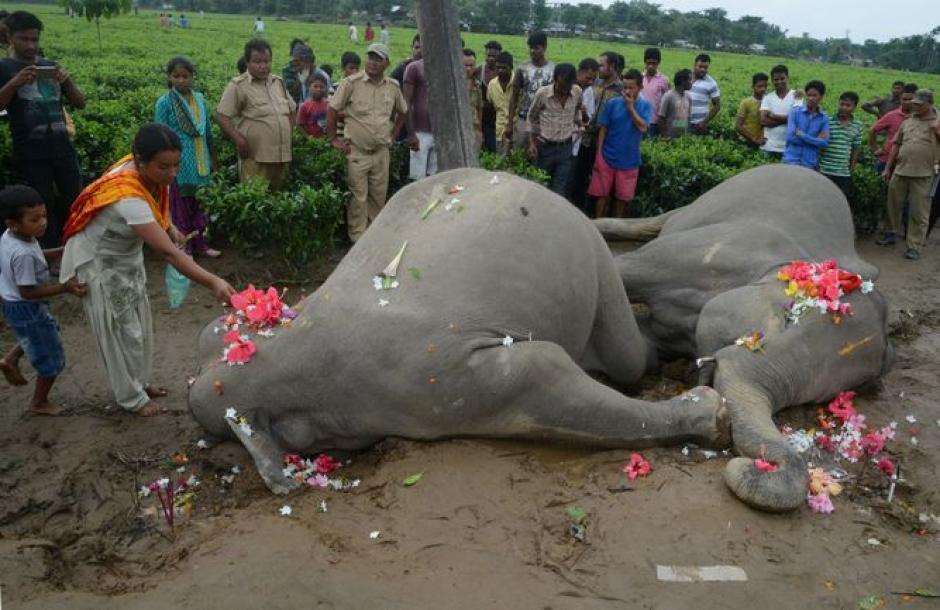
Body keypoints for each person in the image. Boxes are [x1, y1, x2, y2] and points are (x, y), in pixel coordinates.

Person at [59, 124, 235, 416]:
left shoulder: (145, 178)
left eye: (177, 165)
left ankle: (139, 382)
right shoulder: (127, 194)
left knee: (137, 326)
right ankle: (130, 398)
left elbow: (157, 213)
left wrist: (171, 227)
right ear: (140, 160)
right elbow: (167, 251)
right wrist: (213, 281)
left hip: (124, 258)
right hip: (99, 264)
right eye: (163, 167)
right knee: (117, 332)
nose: (172, 174)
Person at [0, 11, 86, 248]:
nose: (30, 45)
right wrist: (14, 83)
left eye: (34, 39)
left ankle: (75, 247)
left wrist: (66, 81)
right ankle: (51, 253)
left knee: (75, 199)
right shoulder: (4, 67)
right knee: (42, 204)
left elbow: (80, 103)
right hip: (31, 152)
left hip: (62, 147)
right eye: (24, 39)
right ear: (10, 37)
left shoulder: (49, 65)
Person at [0, 185, 86, 413]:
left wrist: (61, 250)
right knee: (50, 356)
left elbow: (37, 255)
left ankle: (9, 359)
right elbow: (27, 292)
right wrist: (64, 287)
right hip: (25, 305)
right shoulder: (23, 253)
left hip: (13, 303)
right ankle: (39, 403)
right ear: (13, 223)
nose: (43, 223)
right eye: (35, 219)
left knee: (37, 333)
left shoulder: (13, 237)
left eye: (44, 216)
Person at [327, 43, 407, 242]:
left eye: (378, 59)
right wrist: (334, 140)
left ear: (386, 63)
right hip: (357, 151)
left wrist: (393, 136)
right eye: (370, 57)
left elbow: (403, 112)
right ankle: (357, 240)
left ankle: (373, 239)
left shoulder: (393, 87)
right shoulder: (351, 83)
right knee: (358, 198)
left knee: (378, 196)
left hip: (381, 152)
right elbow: (332, 109)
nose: (372, 62)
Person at [154, 56, 220, 257]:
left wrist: (214, 158)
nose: (181, 80)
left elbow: (207, 130)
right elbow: (160, 134)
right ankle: (185, 248)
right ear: (170, 77)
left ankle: (202, 244)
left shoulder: (199, 99)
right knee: (181, 207)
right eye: (176, 76)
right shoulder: (165, 103)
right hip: (179, 164)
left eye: (185, 76)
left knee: (201, 205)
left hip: (201, 161)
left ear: (192, 77)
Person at [216, 39, 296, 191]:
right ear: (247, 62)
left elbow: (292, 109)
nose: (263, 66)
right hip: (256, 157)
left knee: (278, 200)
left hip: (281, 156)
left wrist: (288, 130)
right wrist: (239, 140)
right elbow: (222, 116)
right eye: (257, 62)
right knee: (255, 199)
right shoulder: (238, 85)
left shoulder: (278, 83)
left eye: (266, 61)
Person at [878, 89, 940, 260]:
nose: (916, 107)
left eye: (920, 104)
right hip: (901, 170)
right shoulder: (908, 121)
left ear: (930, 104)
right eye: (915, 104)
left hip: (924, 174)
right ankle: (890, 234)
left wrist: (937, 127)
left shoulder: (937, 121)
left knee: (919, 212)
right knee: (893, 205)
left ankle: (914, 246)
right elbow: (896, 145)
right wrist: (887, 168)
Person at [589, 69, 651, 219]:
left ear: (640, 88)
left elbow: (643, 127)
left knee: (622, 199)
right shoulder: (612, 104)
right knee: (601, 196)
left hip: (630, 161)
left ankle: (617, 229)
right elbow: (603, 129)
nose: (627, 91)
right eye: (625, 87)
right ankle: (599, 226)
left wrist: (630, 108)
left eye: (631, 88)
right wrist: (599, 155)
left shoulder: (645, 106)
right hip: (607, 157)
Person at [574, 51, 623, 215]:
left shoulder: (621, 89)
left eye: (602, 65)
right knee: (580, 176)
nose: (598, 68)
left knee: (600, 182)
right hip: (585, 139)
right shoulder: (593, 83)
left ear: (613, 67)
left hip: (606, 142)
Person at [527, 63, 584, 197]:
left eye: (568, 86)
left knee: (560, 188)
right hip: (545, 147)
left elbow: (578, 109)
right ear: (555, 79)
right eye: (562, 85)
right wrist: (531, 142)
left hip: (566, 147)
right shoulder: (542, 94)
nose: (565, 90)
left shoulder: (576, 92)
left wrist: (580, 123)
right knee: (539, 184)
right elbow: (531, 117)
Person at [506, 30, 555, 152]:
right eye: (531, 48)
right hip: (523, 119)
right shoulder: (522, 69)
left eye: (536, 48)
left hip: (544, 121)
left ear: (544, 48)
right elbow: (514, 97)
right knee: (518, 156)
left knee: (540, 157)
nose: (532, 51)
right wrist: (509, 123)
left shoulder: (554, 69)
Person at [818, 91, 862, 199]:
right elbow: (819, 143)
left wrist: (852, 168)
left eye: (848, 105)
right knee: (822, 200)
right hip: (825, 170)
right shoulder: (828, 121)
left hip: (843, 173)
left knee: (840, 201)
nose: (844, 107)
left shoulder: (857, 125)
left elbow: (856, 148)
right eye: (842, 104)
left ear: (854, 107)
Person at [869, 83, 917, 173]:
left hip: (908, 163)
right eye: (904, 99)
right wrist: (874, 149)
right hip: (885, 159)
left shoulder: (921, 117)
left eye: (911, 99)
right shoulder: (892, 115)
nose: (907, 102)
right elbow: (872, 130)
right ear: (900, 99)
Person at [568, 57, 597, 205]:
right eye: (588, 78)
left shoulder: (589, 91)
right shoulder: (567, 86)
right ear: (579, 73)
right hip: (559, 138)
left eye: (593, 79)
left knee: (572, 178)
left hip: (575, 142)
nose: (590, 82)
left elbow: (588, 120)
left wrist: (583, 112)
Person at [782, 80, 829, 169]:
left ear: (821, 97)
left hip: (809, 164)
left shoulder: (823, 118)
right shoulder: (794, 112)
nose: (811, 98)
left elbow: (824, 143)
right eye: (808, 95)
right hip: (791, 161)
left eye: (814, 95)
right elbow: (790, 137)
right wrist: (815, 140)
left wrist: (803, 135)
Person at [403, 53, 435, 180]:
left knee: (436, 177)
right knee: (417, 178)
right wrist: (411, 133)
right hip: (420, 132)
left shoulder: (446, 70)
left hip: (440, 132)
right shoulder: (414, 67)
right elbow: (406, 102)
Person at [760, 65, 802, 157]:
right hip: (768, 147)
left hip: (789, 148)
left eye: (782, 78)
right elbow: (763, 121)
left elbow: (799, 119)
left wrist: (774, 116)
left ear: (788, 78)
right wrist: (788, 120)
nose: (779, 82)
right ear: (772, 81)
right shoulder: (767, 98)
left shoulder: (797, 96)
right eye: (776, 79)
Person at [487, 51, 514, 153]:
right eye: (498, 68)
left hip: (516, 132)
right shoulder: (492, 85)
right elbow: (491, 107)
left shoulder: (518, 83)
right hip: (499, 131)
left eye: (503, 68)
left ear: (511, 67)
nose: (500, 70)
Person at [641, 48, 670, 138]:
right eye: (648, 63)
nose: (650, 66)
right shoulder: (639, 77)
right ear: (645, 62)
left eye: (654, 63)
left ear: (658, 63)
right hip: (639, 120)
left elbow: (667, 101)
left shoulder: (664, 80)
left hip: (654, 122)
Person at [687, 53, 720, 134]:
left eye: (705, 67)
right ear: (694, 65)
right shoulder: (685, 77)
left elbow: (717, 106)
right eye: (700, 66)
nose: (703, 70)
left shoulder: (711, 83)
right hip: (681, 122)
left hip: (697, 125)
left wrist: (704, 122)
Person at [480, 40, 503, 152]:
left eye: (494, 56)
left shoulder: (503, 71)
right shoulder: (480, 70)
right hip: (482, 115)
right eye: (488, 55)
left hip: (498, 115)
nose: (491, 59)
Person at [657, 69, 692, 140]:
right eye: (689, 80)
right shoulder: (668, 96)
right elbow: (661, 118)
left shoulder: (688, 97)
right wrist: (665, 136)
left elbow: (688, 118)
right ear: (683, 81)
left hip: (683, 138)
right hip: (670, 137)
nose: (691, 82)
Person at [736, 72, 767, 148]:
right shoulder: (745, 103)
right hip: (745, 141)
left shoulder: (768, 101)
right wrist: (754, 139)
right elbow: (738, 126)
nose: (763, 89)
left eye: (765, 86)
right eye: (759, 86)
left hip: (762, 142)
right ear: (753, 86)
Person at [296, 72, 329, 138]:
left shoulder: (329, 104)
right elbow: (299, 125)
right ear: (309, 87)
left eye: (321, 87)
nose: (318, 89)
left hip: (326, 138)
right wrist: (307, 136)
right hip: (312, 140)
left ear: (325, 88)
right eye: (315, 86)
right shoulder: (304, 106)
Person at [463, 49, 483, 148]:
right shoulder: (452, 86)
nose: (468, 69)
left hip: (474, 130)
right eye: (465, 65)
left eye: (471, 66)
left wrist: (479, 130)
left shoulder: (478, 85)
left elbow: (479, 108)